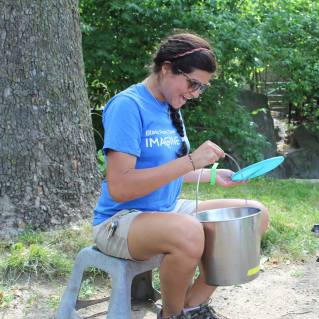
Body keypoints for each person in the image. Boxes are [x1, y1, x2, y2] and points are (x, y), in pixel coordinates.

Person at [92, 32, 269, 319]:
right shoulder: (128, 106)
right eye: (193, 83)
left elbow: (162, 172)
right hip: (120, 220)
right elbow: (120, 187)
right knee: (188, 231)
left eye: (202, 88)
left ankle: (192, 306)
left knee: (255, 214)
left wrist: (211, 176)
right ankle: (172, 316)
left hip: (166, 210)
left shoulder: (170, 105)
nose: (195, 93)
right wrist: (190, 161)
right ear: (166, 68)